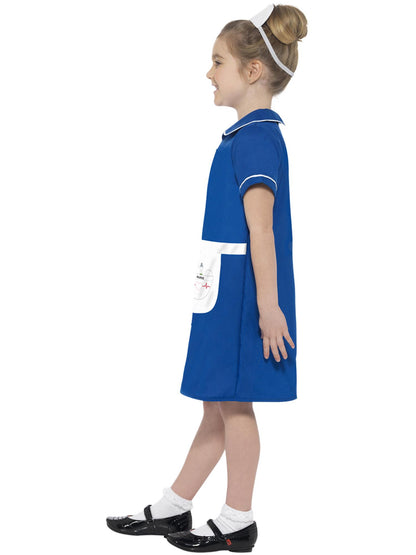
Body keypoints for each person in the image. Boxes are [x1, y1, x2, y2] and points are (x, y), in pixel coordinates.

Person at [106, 3, 307, 552]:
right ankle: (176, 505)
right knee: (217, 402)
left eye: (218, 61)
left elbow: (262, 232)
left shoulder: (258, 139)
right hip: (224, 292)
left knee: (236, 404)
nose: (208, 72)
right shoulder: (242, 136)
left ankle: (238, 518)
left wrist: (269, 307)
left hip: (246, 298)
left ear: (253, 70)